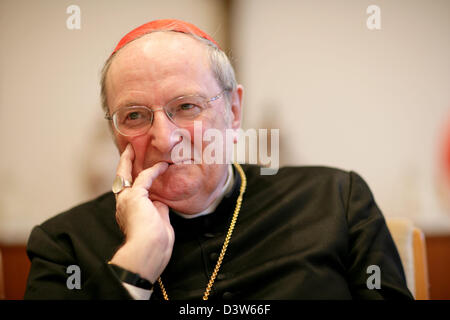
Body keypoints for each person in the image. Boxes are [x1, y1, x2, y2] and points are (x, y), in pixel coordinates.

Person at [24, 19, 413, 300]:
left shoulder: (335, 199)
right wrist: (136, 263)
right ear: (114, 133)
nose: (164, 138)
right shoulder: (64, 245)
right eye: (135, 116)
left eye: (187, 106)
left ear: (234, 110)